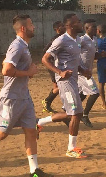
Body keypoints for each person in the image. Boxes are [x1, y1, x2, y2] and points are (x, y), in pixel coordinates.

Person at [0, 14, 53, 177]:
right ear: (23, 28)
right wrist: (28, 73)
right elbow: (6, 70)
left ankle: (34, 170)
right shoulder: (17, 46)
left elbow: (6, 63)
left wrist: (26, 74)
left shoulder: (23, 46)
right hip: (12, 97)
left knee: (31, 131)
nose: (34, 27)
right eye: (31, 25)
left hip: (24, 96)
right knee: (2, 133)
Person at [39, 14, 91, 158]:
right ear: (70, 25)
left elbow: (74, 61)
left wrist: (83, 70)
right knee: (76, 113)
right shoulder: (61, 40)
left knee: (71, 113)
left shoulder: (77, 40)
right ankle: (71, 149)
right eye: (78, 21)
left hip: (73, 79)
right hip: (65, 81)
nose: (81, 23)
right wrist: (60, 72)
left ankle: (39, 122)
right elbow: (45, 59)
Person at [78, 19, 100, 128]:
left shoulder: (94, 40)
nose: (96, 29)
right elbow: (74, 53)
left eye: (96, 27)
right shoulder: (81, 40)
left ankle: (69, 110)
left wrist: (101, 55)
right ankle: (84, 115)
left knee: (83, 94)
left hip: (88, 72)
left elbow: (94, 55)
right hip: (81, 72)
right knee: (95, 92)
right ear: (86, 29)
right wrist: (80, 69)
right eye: (93, 27)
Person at [42, 21, 66, 113]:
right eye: (62, 26)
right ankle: (47, 101)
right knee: (59, 86)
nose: (65, 27)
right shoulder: (56, 39)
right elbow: (45, 51)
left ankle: (47, 103)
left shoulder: (65, 38)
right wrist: (52, 61)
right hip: (53, 66)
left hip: (57, 66)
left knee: (57, 87)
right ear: (58, 29)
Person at [97, 24, 106, 109]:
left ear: (98, 31)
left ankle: (104, 103)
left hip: (101, 64)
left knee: (101, 84)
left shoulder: (96, 41)